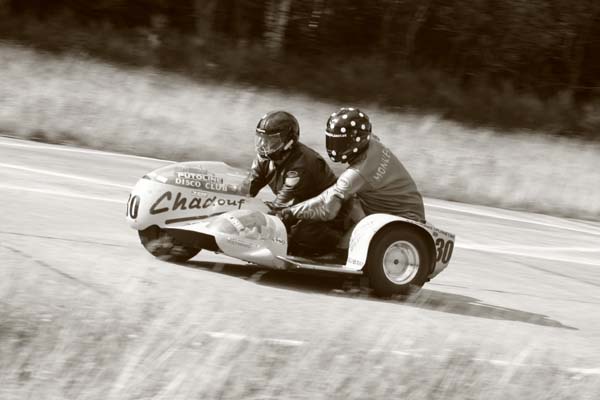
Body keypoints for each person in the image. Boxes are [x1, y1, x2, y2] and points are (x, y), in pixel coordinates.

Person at [279, 107, 425, 231]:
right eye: (333, 139)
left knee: (342, 207)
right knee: (349, 199)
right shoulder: (371, 142)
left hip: (402, 220)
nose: (335, 146)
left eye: (341, 141)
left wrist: (288, 212)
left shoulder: (357, 173)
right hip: (402, 209)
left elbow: (327, 209)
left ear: (357, 140)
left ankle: (336, 254)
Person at [247, 110, 345, 255]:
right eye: (261, 139)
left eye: (271, 141)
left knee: (297, 237)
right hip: (297, 210)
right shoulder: (264, 159)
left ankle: (339, 246)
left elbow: (281, 206)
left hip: (328, 216)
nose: (263, 145)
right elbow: (246, 190)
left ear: (288, 142)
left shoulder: (302, 164)